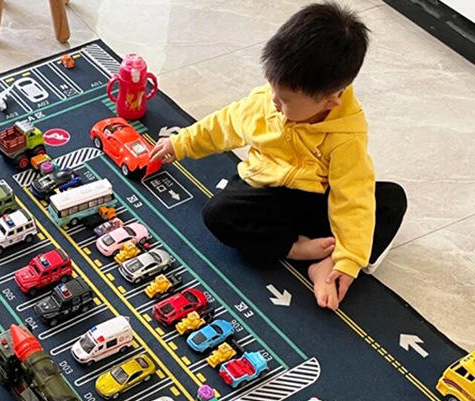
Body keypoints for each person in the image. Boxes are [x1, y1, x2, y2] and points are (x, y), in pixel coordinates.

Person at [150, 2, 407, 310]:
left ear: (330, 101)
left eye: (285, 101)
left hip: (317, 199)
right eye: (273, 89)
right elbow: (224, 124)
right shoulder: (267, 101)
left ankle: (326, 263)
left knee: (390, 200)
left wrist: (348, 260)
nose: (274, 101)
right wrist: (181, 143)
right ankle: (293, 248)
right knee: (219, 212)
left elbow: (352, 197)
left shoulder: (346, 137)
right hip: (266, 191)